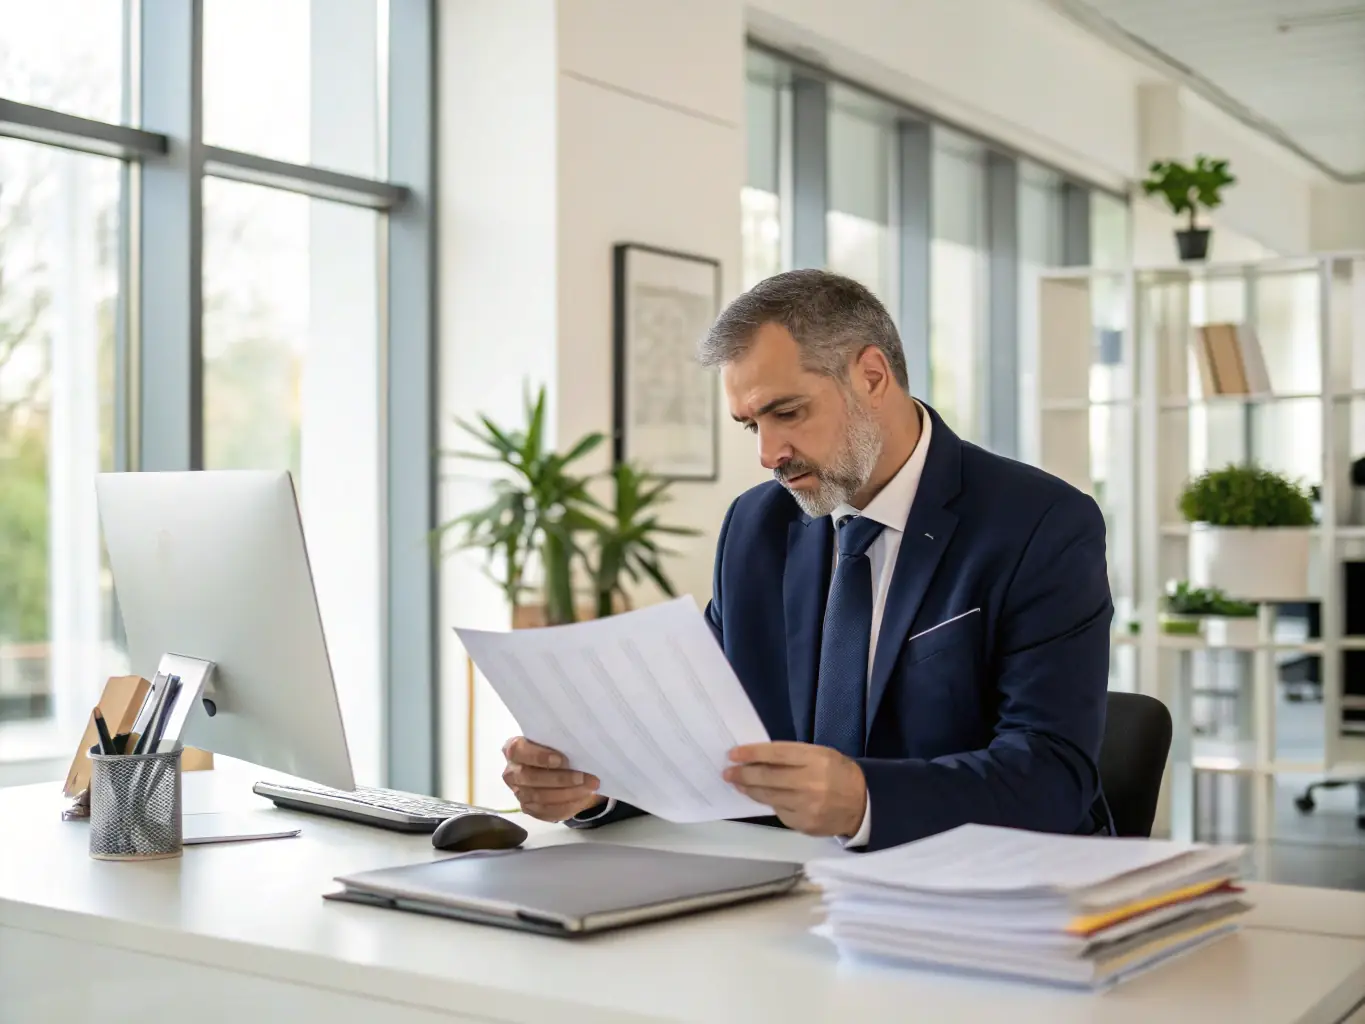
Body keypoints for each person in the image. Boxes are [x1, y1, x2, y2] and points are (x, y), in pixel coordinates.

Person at [501, 269, 1114, 851]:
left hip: (981, 897)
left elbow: (1052, 776)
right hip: (788, 892)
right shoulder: (755, 526)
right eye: (751, 427)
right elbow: (700, 736)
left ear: (873, 375)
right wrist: (590, 785)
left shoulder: (1042, 524)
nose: (770, 454)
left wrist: (866, 799)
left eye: (787, 413)